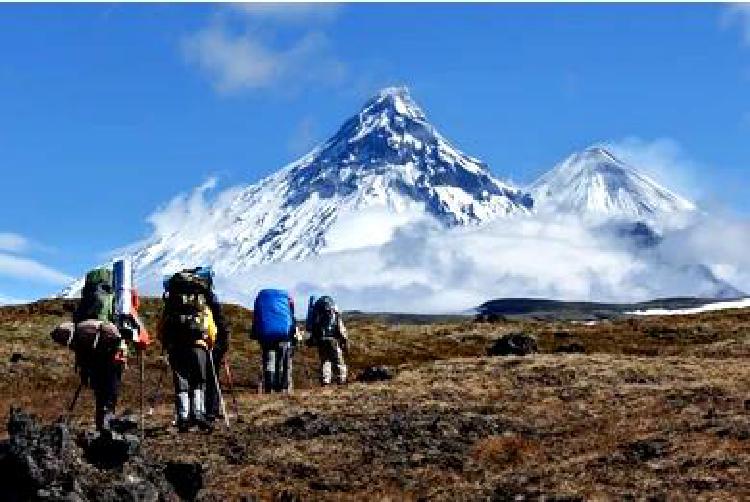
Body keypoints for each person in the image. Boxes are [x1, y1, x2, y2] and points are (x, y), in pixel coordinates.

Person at [158, 269, 217, 432]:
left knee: (181, 381)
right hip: (199, 346)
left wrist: (166, 342)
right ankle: (198, 413)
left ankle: (183, 416)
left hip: (177, 347)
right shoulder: (201, 302)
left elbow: (161, 327)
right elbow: (211, 328)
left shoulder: (172, 303)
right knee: (199, 380)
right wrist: (209, 343)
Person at [72, 267, 127, 432]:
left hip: (89, 352)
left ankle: (101, 423)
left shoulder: (86, 302)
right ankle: (107, 424)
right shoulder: (115, 298)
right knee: (110, 388)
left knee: (99, 390)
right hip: (112, 350)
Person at [250, 289, 297, 393]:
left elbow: (257, 318)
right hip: (284, 335)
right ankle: (281, 388)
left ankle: (269, 388)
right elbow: (292, 318)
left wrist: (255, 334)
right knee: (282, 361)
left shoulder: (261, 298)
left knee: (269, 361)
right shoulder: (287, 299)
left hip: (267, 336)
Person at [306, 296, 349, 385]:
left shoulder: (316, 311)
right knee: (338, 360)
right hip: (332, 340)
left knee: (325, 360)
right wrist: (344, 340)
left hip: (321, 340)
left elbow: (312, 327)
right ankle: (341, 379)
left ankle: (326, 380)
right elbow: (340, 328)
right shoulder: (334, 312)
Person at [204, 288, 230, 423]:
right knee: (212, 377)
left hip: (186, 345)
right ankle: (211, 410)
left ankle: (190, 412)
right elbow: (221, 323)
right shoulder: (211, 299)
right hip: (214, 345)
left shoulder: (178, 299)